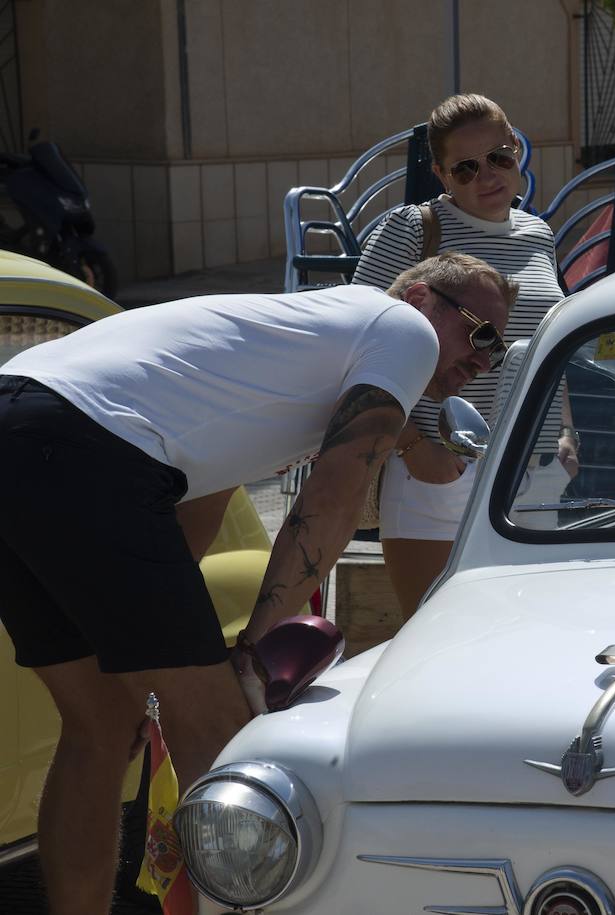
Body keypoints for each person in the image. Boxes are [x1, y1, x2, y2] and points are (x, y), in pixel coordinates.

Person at [0, 252, 513, 915]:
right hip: (88, 443)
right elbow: (336, 492)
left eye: (498, 350)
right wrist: (255, 649)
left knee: (99, 725)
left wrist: (145, 654)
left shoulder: (281, 352)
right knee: (223, 735)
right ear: (420, 296)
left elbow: (189, 517)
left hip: (21, 426)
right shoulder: (400, 328)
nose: (484, 359)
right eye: (480, 332)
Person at [352, 92, 574, 618]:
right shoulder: (414, 228)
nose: (487, 176)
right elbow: (354, 342)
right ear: (441, 174)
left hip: (534, 469)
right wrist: (411, 447)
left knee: (523, 636)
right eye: (466, 168)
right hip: (440, 463)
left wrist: (566, 432)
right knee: (434, 634)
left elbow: (546, 339)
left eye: (499, 157)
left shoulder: (539, 233)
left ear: (517, 148)